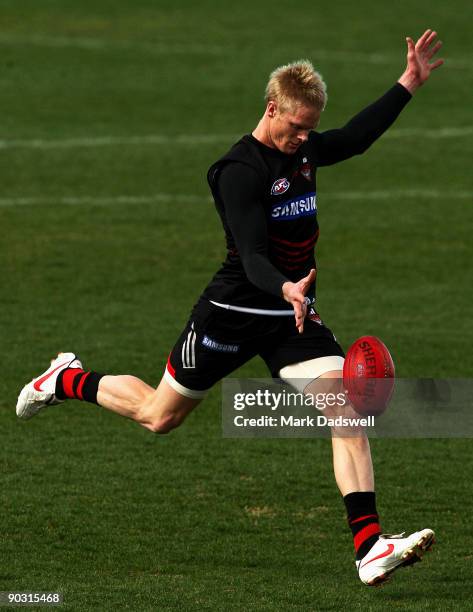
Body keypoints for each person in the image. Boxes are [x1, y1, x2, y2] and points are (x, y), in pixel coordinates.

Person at [16, 29, 443, 586]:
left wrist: (407, 83)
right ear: (272, 109)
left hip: (292, 322)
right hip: (234, 311)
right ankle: (64, 379)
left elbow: (356, 138)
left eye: (310, 129)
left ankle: (368, 548)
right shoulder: (239, 171)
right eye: (296, 128)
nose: (304, 139)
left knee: (346, 411)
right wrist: (286, 287)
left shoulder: (306, 148)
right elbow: (252, 254)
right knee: (159, 416)